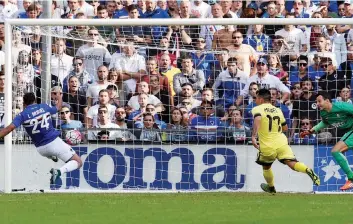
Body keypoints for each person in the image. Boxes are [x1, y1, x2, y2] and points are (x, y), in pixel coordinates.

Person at [0, 92, 82, 185]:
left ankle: (51, 155)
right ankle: (59, 171)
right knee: (78, 162)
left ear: (24, 103)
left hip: (41, 149)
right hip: (54, 142)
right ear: (35, 100)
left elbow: (9, 128)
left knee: (51, 151)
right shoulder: (43, 107)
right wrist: (59, 97)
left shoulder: (22, 115)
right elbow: (58, 107)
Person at [251, 89, 320, 194]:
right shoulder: (278, 110)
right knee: (292, 163)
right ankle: (307, 170)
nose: (255, 100)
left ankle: (271, 188)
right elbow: (285, 128)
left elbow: (258, 119)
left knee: (266, 166)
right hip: (281, 142)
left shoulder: (257, 108)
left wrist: (253, 136)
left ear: (260, 99)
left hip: (267, 144)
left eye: (256, 98)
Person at [300, 91, 353, 190]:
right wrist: (311, 131)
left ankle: (351, 179)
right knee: (336, 151)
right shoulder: (323, 113)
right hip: (349, 131)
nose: (317, 104)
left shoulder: (341, 106)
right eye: (316, 102)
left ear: (327, 101)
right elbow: (324, 123)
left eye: (319, 101)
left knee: (336, 150)